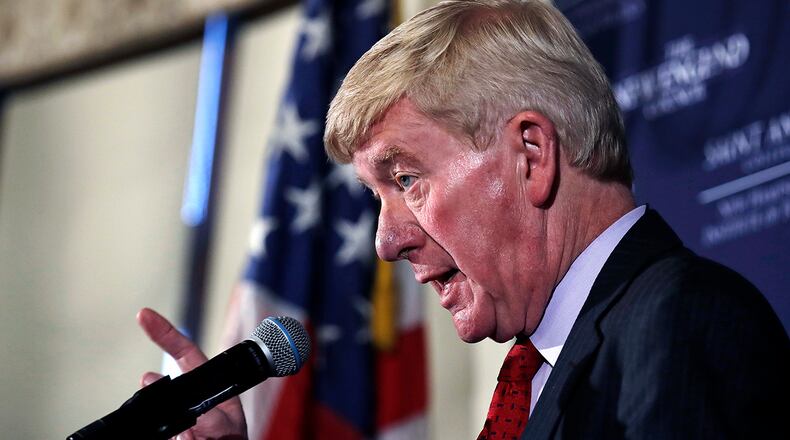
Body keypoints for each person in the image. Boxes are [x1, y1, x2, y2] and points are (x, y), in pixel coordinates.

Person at [139, 1, 790, 439]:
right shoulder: (548, 369)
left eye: (406, 179)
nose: (385, 242)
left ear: (530, 155)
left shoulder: (680, 323)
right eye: (377, 195)